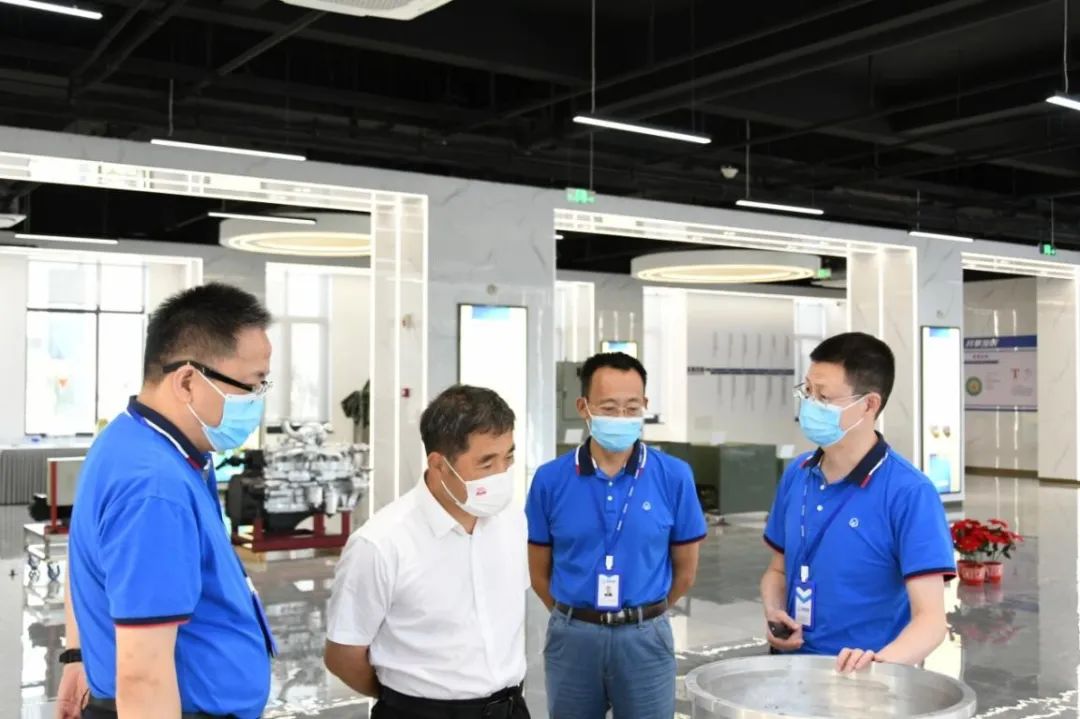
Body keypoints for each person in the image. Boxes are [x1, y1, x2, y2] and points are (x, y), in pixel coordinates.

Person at [61, 283, 277, 719]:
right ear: (187, 381)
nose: (258, 401)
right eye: (252, 385)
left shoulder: (138, 440)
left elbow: (88, 558)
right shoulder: (154, 487)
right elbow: (144, 677)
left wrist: (77, 654)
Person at [324, 385, 530, 719]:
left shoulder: (511, 520)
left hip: (510, 709)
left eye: (508, 457)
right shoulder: (380, 544)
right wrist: (408, 702)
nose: (501, 475)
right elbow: (343, 656)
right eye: (486, 463)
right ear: (439, 465)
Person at [526, 352, 707, 719]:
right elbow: (538, 572)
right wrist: (576, 617)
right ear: (584, 407)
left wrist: (644, 614)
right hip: (573, 638)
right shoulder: (550, 479)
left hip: (645, 638)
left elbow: (685, 571)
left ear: (645, 406)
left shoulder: (674, 476)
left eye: (632, 407)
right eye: (609, 408)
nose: (621, 417)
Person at [761, 332, 954, 672]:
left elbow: (930, 621)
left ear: (868, 404)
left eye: (823, 397)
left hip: (866, 684)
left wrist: (878, 665)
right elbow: (777, 570)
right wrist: (775, 610)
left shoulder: (909, 493)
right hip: (790, 672)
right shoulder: (798, 474)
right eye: (807, 391)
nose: (810, 405)